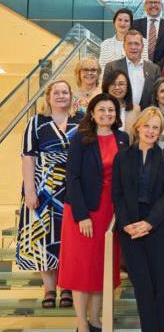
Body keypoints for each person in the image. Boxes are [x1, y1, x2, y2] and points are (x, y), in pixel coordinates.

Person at [58, 93, 128, 332]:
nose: (107, 114)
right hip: (84, 211)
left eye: (111, 110)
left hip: (111, 213)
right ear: (92, 113)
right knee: (82, 269)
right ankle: (81, 324)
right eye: (102, 110)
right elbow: (72, 177)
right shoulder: (81, 138)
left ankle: (96, 319)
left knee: (102, 267)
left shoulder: (123, 138)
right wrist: (82, 215)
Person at [16, 80, 82, 309]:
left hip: (73, 189)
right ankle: (49, 289)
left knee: (69, 239)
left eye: (65, 92)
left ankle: (67, 287)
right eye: (57, 92)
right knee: (43, 238)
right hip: (42, 189)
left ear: (71, 95)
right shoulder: (36, 123)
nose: (61, 96)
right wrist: (30, 191)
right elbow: (28, 157)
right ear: (48, 97)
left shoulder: (81, 121)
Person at [112, 107, 164, 332]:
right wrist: (127, 224)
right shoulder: (122, 157)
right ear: (138, 126)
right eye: (147, 126)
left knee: (159, 286)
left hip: (159, 228)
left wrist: (149, 223)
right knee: (142, 286)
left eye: (155, 128)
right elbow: (117, 194)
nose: (150, 131)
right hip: (130, 228)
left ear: (160, 132)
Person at [102, 30, 161, 110]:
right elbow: (106, 94)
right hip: (119, 114)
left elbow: (157, 95)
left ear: (142, 47)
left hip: (146, 116)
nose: (133, 47)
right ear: (124, 46)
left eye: (137, 44)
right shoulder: (112, 67)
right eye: (129, 43)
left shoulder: (154, 69)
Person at [132, 0, 164, 68]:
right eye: (150, 2)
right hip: (138, 67)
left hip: (162, 70)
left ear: (161, 5)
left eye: (156, 2)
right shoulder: (135, 25)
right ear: (145, 6)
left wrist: (156, 67)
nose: (153, 5)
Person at [101, 70, 140, 139]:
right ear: (107, 87)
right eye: (113, 84)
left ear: (127, 87)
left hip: (127, 148)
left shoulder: (135, 109)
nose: (117, 87)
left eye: (121, 84)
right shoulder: (99, 107)